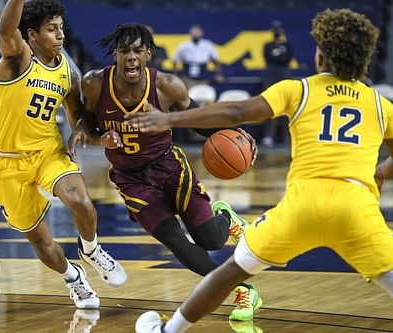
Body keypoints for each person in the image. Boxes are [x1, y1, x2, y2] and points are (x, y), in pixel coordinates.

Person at [127, 9, 393, 332]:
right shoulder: (382, 106)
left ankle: (169, 331)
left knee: (230, 273)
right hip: (356, 207)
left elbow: (237, 111)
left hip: (301, 207)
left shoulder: (299, 89)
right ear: (365, 59)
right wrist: (378, 174)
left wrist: (169, 119)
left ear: (320, 57)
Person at [68, 23, 261, 321]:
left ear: (147, 54)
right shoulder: (95, 83)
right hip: (131, 179)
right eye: (124, 51)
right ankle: (241, 290)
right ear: (115, 55)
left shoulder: (167, 86)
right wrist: (94, 136)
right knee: (177, 243)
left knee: (212, 241)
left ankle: (225, 218)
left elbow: (196, 119)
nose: (131, 57)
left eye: (137, 51)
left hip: (169, 167)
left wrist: (236, 133)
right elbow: (87, 120)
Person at [0, 0, 126, 308]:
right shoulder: (16, 60)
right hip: (6, 164)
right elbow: (6, 30)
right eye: (52, 30)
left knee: (81, 202)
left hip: (49, 152)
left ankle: (90, 250)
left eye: (61, 28)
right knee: (42, 243)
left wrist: (102, 139)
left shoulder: (67, 71)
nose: (60, 35)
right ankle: (73, 277)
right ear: (32, 36)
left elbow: (81, 122)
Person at [260, 20, 294, 146]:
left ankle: (286, 135)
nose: (277, 33)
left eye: (278, 30)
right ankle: (269, 136)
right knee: (269, 104)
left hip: (284, 74)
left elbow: (287, 59)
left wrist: (278, 53)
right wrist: (279, 55)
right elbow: (268, 58)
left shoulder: (287, 45)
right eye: (275, 30)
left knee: (286, 105)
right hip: (271, 75)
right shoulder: (267, 45)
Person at [173, 24, 225, 89]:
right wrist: (176, 75)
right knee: (188, 94)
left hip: (203, 76)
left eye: (198, 32)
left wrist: (218, 74)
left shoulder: (208, 45)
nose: (196, 34)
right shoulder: (183, 46)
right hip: (187, 76)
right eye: (194, 32)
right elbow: (175, 60)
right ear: (190, 33)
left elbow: (216, 61)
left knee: (202, 94)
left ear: (202, 33)